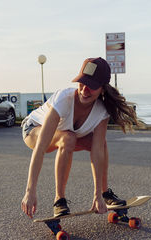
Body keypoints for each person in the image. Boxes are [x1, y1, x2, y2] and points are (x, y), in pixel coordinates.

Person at [21, 57, 138, 219]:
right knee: (68, 138)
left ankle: (104, 193)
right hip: (33, 131)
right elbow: (40, 148)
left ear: (102, 89)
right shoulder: (63, 100)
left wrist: (96, 193)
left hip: (65, 136)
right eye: (82, 83)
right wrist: (30, 191)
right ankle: (59, 200)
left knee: (100, 143)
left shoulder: (101, 111)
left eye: (92, 86)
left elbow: (97, 151)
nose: (84, 90)